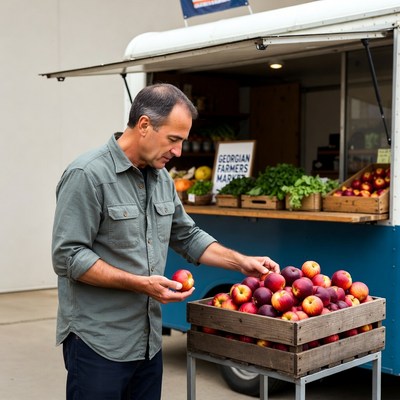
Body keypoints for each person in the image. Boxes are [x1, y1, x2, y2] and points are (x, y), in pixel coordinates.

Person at [51, 83, 279, 400]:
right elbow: (68, 257)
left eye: (182, 141)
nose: (178, 152)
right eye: (173, 139)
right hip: (98, 341)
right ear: (144, 125)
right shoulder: (87, 174)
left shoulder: (160, 180)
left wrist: (241, 262)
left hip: (147, 341)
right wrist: (140, 283)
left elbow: (186, 234)